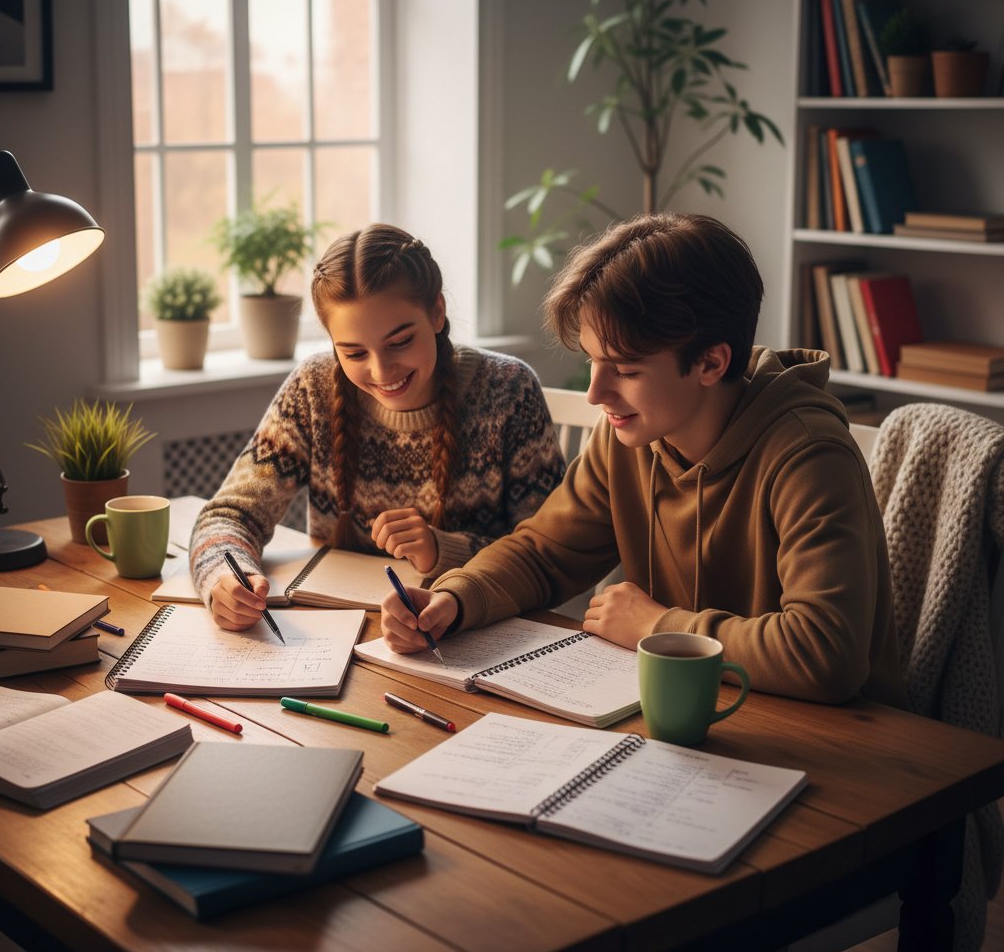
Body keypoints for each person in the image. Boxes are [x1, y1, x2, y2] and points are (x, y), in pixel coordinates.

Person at [381, 212, 908, 707]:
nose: (595, 393)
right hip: (694, 706)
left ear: (710, 362)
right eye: (592, 362)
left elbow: (825, 654)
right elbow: (543, 553)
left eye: (625, 370)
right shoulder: (632, 436)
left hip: (836, 741)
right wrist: (455, 598)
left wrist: (656, 627)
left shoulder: (808, 455)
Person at [191, 222, 566, 630]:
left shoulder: (508, 389)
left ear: (437, 312)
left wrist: (444, 550)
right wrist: (224, 578)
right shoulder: (314, 388)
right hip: (335, 631)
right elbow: (230, 514)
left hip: (475, 634)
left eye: (400, 341)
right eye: (353, 352)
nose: (381, 370)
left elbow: (549, 552)